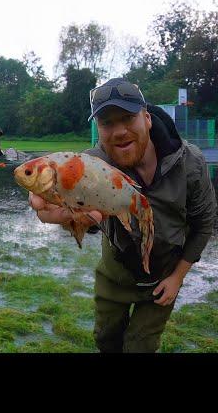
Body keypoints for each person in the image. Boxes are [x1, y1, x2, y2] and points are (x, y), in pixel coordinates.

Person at [28, 78, 217, 353]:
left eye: (128, 118)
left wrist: (177, 277)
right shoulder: (91, 166)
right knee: (106, 340)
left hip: (162, 280)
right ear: (98, 129)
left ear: (147, 118)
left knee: (140, 347)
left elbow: (204, 224)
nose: (118, 131)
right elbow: (85, 215)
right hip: (114, 275)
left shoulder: (190, 162)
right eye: (107, 123)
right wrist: (59, 211)